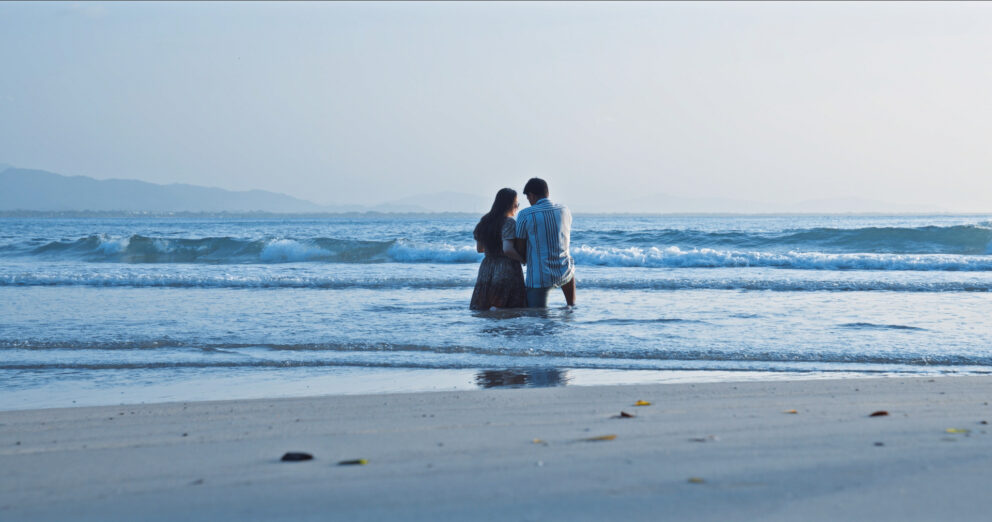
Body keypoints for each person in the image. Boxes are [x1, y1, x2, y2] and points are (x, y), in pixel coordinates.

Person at [514, 178, 576, 307]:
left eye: (528, 198)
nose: (529, 202)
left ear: (531, 195)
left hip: (539, 276)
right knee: (570, 310)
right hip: (565, 270)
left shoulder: (525, 214)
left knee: (537, 316)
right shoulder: (564, 210)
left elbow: (520, 247)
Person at [469, 188, 527, 310]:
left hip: (487, 268)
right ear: (510, 204)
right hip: (506, 267)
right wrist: (522, 259)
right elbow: (508, 249)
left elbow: (480, 249)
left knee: (485, 307)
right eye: (516, 203)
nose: (517, 206)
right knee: (508, 308)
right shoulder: (509, 222)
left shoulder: (484, 221)